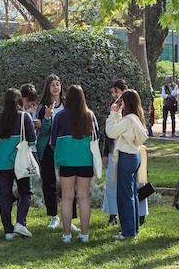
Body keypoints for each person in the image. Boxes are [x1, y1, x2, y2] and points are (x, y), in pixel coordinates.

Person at [0, 87, 37, 240]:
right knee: (26, 192)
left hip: (2, 162)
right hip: (20, 161)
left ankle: (8, 231)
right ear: (20, 101)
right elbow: (32, 140)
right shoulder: (24, 117)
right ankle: (21, 223)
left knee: (5, 195)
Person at [50, 84, 97, 244]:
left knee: (67, 197)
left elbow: (53, 141)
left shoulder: (60, 116)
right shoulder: (90, 115)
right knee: (84, 197)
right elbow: (96, 140)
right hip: (85, 161)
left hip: (66, 161)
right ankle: (84, 234)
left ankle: (67, 234)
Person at [106, 88, 147, 241]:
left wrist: (113, 113)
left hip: (126, 157)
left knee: (125, 195)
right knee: (131, 194)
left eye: (121, 100)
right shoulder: (136, 117)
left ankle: (128, 231)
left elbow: (111, 132)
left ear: (126, 102)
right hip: (134, 156)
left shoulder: (128, 119)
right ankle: (133, 228)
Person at [36, 74, 64, 229]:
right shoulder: (43, 107)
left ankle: (68, 216)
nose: (55, 87)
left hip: (65, 147)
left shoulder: (67, 104)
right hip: (47, 147)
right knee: (49, 182)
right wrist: (47, 118)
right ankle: (54, 215)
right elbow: (43, 131)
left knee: (67, 181)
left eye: (58, 84)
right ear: (48, 87)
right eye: (52, 84)